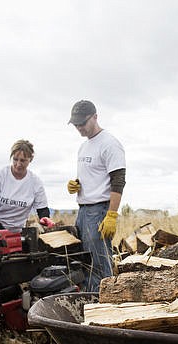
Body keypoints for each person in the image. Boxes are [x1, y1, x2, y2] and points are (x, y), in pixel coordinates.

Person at [67, 100, 126, 291]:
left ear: (95, 117)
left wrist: (111, 215)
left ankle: (105, 306)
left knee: (99, 265)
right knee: (84, 262)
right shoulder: (84, 147)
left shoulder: (109, 143)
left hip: (99, 210)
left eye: (82, 123)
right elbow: (92, 175)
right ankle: (89, 303)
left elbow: (118, 180)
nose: (79, 128)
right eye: (76, 124)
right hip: (83, 211)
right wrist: (76, 184)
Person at [0, 139, 54, 233]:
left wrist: (45, 218)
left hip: (16, 232)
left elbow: (42, 209)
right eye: (15, 159)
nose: (18, 164)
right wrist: (1, 231)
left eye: (23, 161)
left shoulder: (35, 182)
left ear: (30, 159)